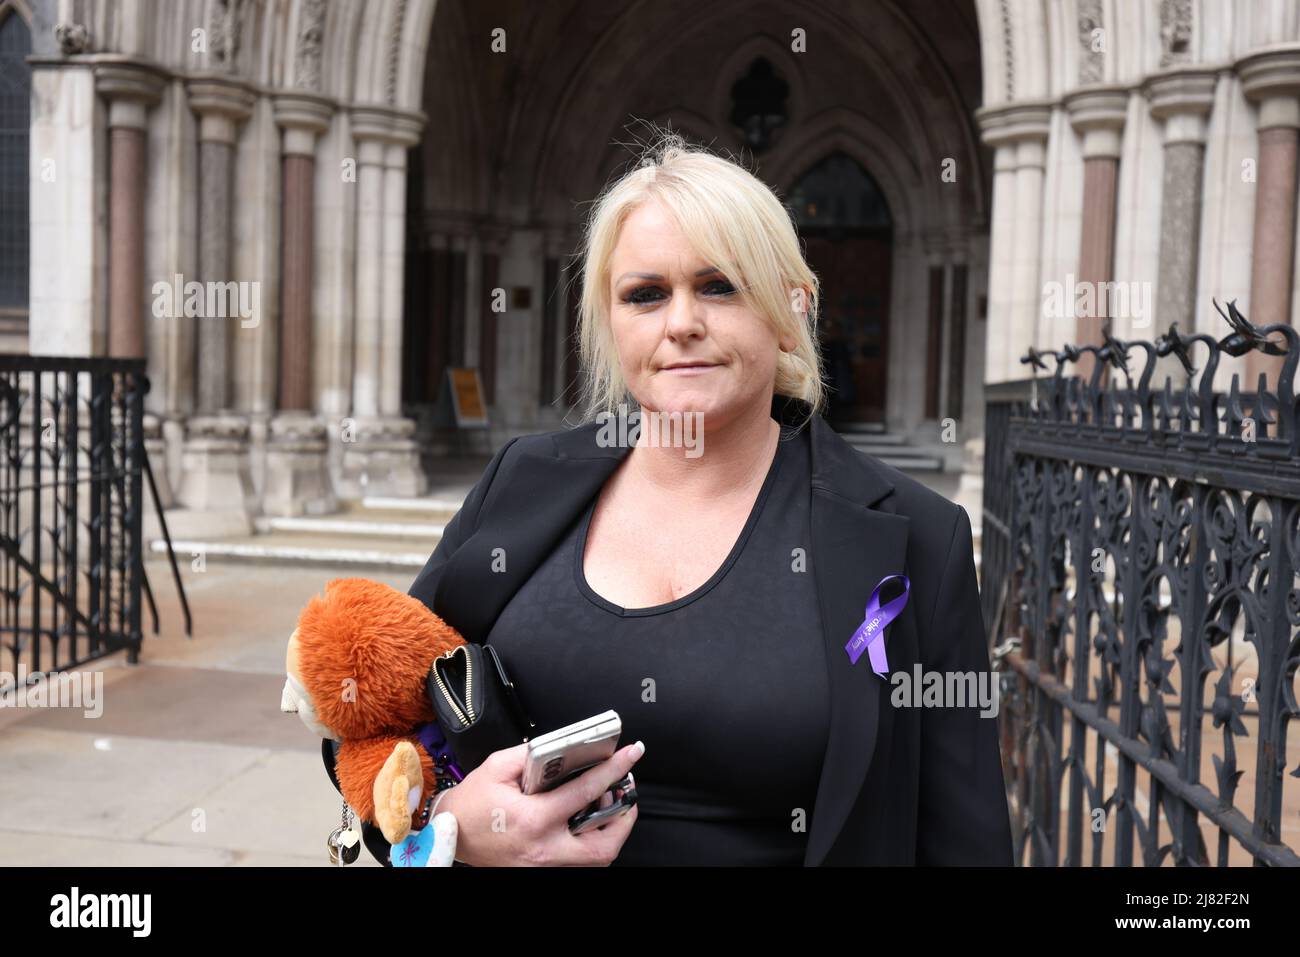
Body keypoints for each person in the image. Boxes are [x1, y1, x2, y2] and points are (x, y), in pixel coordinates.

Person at [324, 129, 1013, 867]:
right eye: (645, 294)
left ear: (792, 308)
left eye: (720, 285)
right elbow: (370, 708)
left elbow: (963, 836)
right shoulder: (521, 483)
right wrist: (451, 819)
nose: (681, 321)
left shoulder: (915, 539)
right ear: (611, 323)